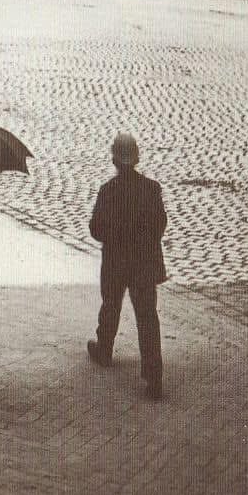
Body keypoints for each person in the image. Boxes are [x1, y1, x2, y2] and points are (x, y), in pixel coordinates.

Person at [87, 132, 168, 400]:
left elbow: (96, 229)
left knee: (111, 304)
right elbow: (160, 226)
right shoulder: (151, 189)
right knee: (147, 316)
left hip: (116, 262)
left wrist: (116, 237)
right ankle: (153, 375)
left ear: (114, 160)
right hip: (144, 262)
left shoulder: (108, 191)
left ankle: (105, 348)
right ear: (136, 158)